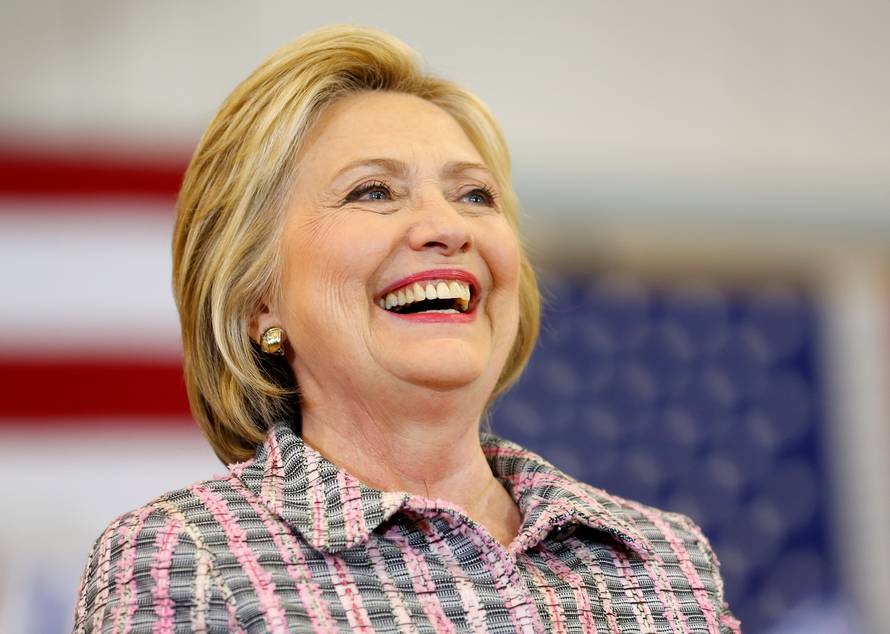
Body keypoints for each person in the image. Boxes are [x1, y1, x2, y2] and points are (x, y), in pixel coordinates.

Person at [73, 25, 741, 633]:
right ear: (258, 299)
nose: (446, 227)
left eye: (474, 195)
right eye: (373, 191)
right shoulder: (182, 559)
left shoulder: (665, 559)